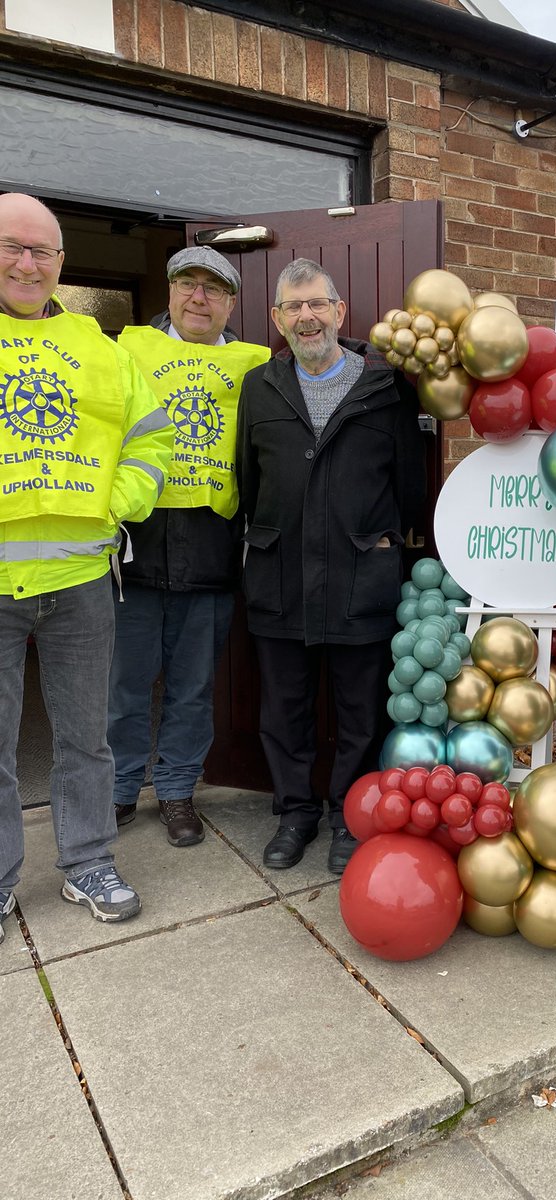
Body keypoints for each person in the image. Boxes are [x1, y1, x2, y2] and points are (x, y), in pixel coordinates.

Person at [0, 193, 173, 937]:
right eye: (12, 246)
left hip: (80, 582)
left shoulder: (103, 348)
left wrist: (118, 505)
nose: (27, 263)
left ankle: (88, 862)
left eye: (41, 251)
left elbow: (153, 438)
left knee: (85, 736)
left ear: (61, 263)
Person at [237, 259, 426, 875]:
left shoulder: (385, 386)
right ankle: (296, 813)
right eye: (293, 307)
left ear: (341, 312)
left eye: (317, 304)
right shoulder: (259, 388)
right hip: (280, 574)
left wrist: (386, 540)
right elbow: (248, 478)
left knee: (358, 710)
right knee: (284, 709)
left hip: (358, 576)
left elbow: (408, 482)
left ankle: (351, 814)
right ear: (277, 319)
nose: (306, 317)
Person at [109, 249, 269, 846]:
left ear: (232, 303)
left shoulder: (253, 366)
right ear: (171, 293)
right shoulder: (124, 352)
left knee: (193, 686)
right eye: (188, 285)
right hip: (135, 551)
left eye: (214, 289)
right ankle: (122, 790)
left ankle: (176, 792)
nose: (199, 297)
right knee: (124, 684)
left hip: (211, 550)